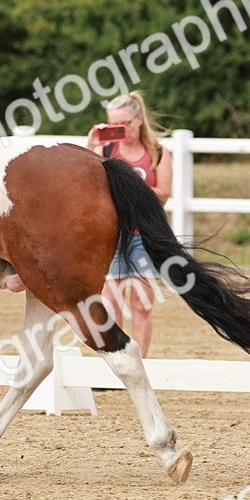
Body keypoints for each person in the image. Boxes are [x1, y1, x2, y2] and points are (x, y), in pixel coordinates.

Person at [86, 92, 173, 357]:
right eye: (114, 124)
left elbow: (164, 194)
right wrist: (90, 146)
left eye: (124, 123)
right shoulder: (107, 151)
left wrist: (132, 187)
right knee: (111, 304)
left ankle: (141, 363)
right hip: (113, 235)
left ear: (138, 120)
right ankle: (120, 360)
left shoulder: (157, 152)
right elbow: (88, 184)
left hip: (145, 236)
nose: (120, 130)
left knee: (143, 304)